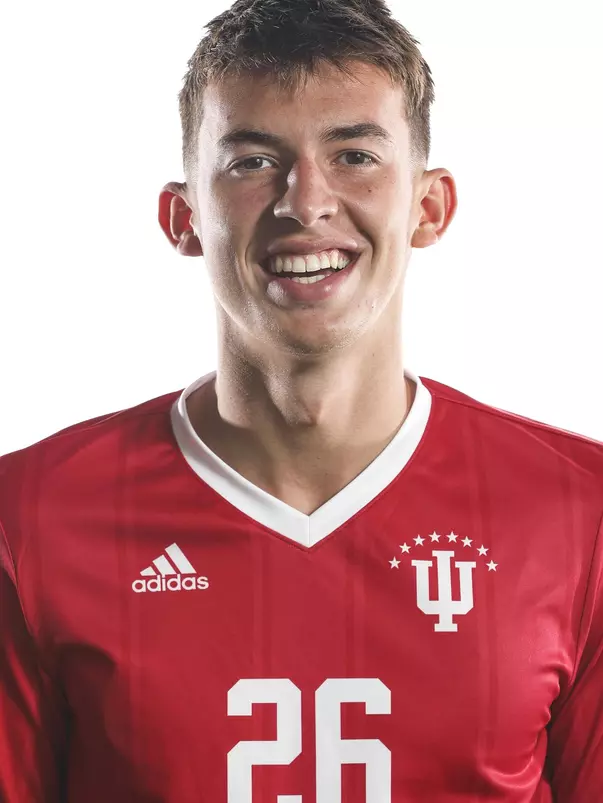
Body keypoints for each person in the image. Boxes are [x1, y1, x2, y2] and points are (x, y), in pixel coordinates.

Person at [1, 0, 602, 800]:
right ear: (183, 218)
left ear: (428, 206)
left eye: (353, 154)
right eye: (252, 161)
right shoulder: (30, 516)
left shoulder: (579, 508)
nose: (303, 201)